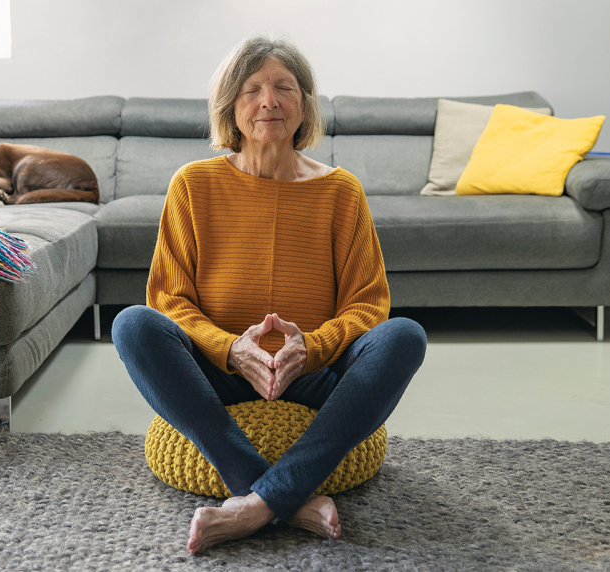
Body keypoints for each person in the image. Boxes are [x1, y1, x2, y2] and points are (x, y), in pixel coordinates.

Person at [112, 34, 427, 554]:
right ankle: (282, 495)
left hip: (312, 374)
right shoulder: (193, 184)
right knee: (132, 324)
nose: (269, 101)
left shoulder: (341, 190)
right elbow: (168, 299)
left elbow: (368, 305)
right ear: (231, 107)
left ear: (303, 104)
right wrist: (231, 348)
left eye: (284, 88)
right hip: (224, 372)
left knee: (404, 336)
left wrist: (315, 348)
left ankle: (255, 505)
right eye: (252, 89)